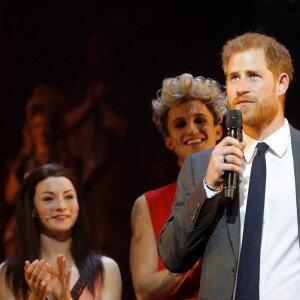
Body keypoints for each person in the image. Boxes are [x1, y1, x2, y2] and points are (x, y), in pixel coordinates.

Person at [157, 32, 299, 299]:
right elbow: (172, 256)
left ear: (281, 83)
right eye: (234, 77)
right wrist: (209, 187)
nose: (241, 87)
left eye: (253, 76)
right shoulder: (200, 166)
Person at [130, 73, 227, 299]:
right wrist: (185, 259)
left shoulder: (243, 188)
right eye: (180, 124)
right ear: (169, 141)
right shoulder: (148, 204)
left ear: (218, 131)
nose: (192, 129)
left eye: (200, 120)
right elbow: (143, 291)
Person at [0, 163, 122, 299]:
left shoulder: (105, 270)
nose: (61, 206)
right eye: (48, 198)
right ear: (32, 209)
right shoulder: (7, 274)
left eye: (68, 197)